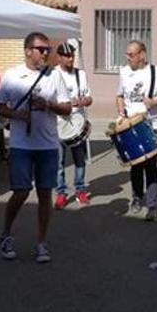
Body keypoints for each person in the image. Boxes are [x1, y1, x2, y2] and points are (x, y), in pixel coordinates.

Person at [0, 32, 71, 262]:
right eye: (41, 49)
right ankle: (6, 234)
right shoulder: (12, 75)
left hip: (47, 144)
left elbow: (67, 108)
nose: (46, 53)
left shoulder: (54, 76)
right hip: (21, 145)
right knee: (21, 191)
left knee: (45, 193)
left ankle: (41, 242)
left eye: (48, 49)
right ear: (28, 50)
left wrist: (48, 104)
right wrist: (16, 114)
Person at [116, 40, 157, 221]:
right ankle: (137, 197)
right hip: (130, 124)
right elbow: (119, 96)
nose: (128, 58)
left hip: (151, 125)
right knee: (135, 166)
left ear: (142, 55)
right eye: (127, 54)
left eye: (131, 54)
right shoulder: (124, 72)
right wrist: (120, 113)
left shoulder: (156, 71)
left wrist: (155, 102)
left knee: (150, 165)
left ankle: (153, 205)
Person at [53, 42, 93, 209]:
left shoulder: (80, 75)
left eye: (72, 56)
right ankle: (61, 193)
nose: (71, 59)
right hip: (58, 126)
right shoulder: (52, 75)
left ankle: (80, 189)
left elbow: (90, 98)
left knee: (80, 161)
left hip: (77, 125)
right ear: (59, 57)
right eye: (67, 56)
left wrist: (82, 101)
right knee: (58, 163)